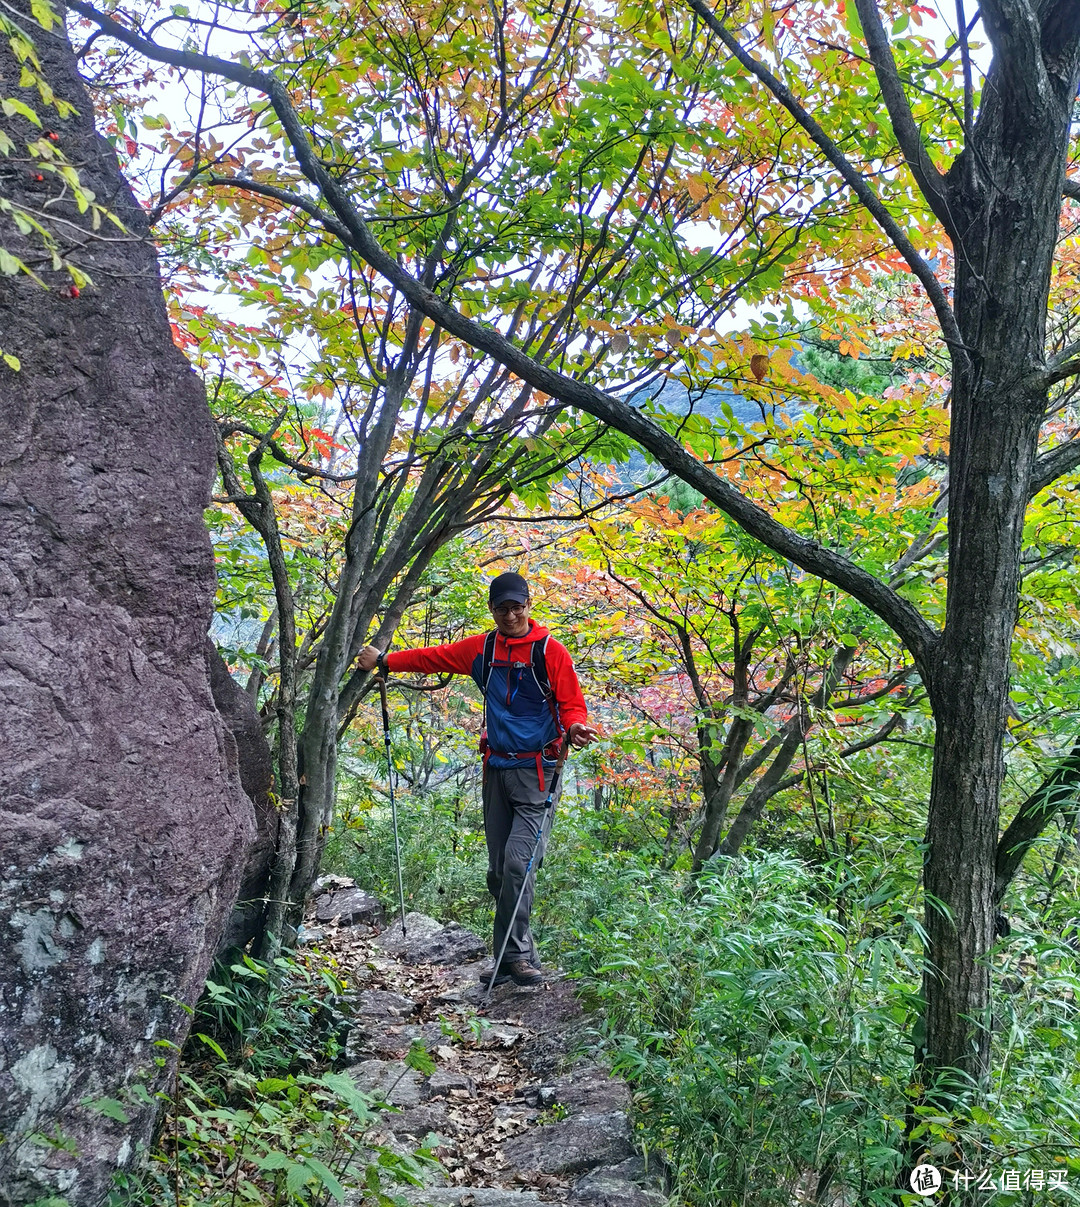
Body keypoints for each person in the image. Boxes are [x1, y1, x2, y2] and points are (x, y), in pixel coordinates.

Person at [356, 572, 598, 987]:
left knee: (519, 863)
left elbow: (572, 704)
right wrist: (384, 661)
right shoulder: (482, 649)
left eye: (517, 607)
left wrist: (575, 727)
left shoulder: (550, 652)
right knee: (498, 873)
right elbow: (434, 657)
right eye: (502, 608)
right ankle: (513, 959)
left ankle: (514, 957)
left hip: (539, 774)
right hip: (496, 770)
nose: (510, 615)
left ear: (528, 605)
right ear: (492, 609)